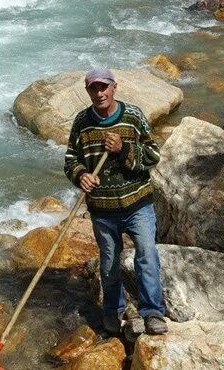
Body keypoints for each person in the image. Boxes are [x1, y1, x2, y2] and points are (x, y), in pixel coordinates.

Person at [63, 67, 167, 337]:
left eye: (104, 87)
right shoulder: (82, 122)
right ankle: (112, 312)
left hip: (137, 204)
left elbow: (153, 154)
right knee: (108, 262)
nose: (100, 93)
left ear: (114, 88)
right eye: (93, 88)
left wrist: (124, 150)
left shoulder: (132, 117)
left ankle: (153, 312)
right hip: (102, 210)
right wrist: (81, 176)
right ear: (88, 91)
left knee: (146, 254)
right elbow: (70, 160)